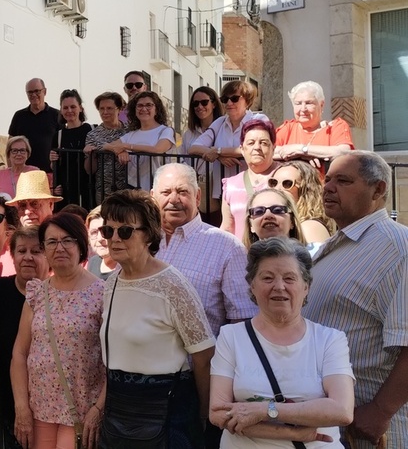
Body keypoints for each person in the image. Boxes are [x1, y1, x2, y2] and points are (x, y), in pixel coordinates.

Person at [304, 151, 408, 449]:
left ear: (378, 189)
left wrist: (380, 411)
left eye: (344, 180)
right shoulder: (336, 244)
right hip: (332, 423)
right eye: (328, 179)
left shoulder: (397, 248)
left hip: (373, 430)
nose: (328, 187)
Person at [210, 237, 355, 448]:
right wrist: (293, 433)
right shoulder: (231, 337)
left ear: (306, 286)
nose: (279, 287)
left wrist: (264, 410)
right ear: (252, 286)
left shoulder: (330, 340)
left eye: (289, 278)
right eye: (267, 278)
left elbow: (341, 411)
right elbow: (218, 413)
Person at [99, 190, 215, 448]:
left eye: (125, 231)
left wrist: (204, 416)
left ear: (148, 234)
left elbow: (204, 356)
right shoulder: (111, 284)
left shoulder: (172, 285)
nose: (115, 239)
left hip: (166, 412)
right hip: (118, 413)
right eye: (108, 231)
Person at [12, 213, 106, 449]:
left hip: (81, 410)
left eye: (67, 240)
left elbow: (115, 361)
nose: (59, 247)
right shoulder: (36, 293)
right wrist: (21, 407)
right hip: (40, 409)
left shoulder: (102, 294)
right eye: (52, 242)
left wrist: (98, 409)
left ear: (81, 245)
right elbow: (20, 354)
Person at [151, 163, 256, 337]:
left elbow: (242, 319)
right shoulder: (138, 241)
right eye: (166, 192)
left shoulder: (227, 247)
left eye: (183, 192)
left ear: (197, 196)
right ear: (153, 197)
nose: (174, 199)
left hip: (200, 363)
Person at [0, 226, 50, 448]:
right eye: (21, 251)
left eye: (36, 251)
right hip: (6, 397)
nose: (28, 257)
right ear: (12, 255)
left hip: (50, 402)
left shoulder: (58, 294)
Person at [188, 80, 269, 209]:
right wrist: (219, 156)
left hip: (253, 187)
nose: (229, 103)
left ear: (247, 101)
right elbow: (194, 147)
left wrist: (219, 151)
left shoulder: (258, 120)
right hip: (224, 189)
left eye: (235, 99)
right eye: (225, 99)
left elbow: (254, 149)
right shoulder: (219, 122)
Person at [221, 119, 280, 240]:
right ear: (242, 149)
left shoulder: (285, 178)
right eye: (251, 143)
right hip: (242, 256)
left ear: (273, 148)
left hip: (277, 254)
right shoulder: (231, 185)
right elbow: (227, 228)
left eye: (263, 143)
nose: (257, 147)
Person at [104, 91, 175, 191]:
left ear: (156, 109)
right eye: (140, 105)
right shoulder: (131, 134)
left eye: (149, 105)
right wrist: (121, 151)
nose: (144, 109)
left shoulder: (166, 131)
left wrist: (126, 147)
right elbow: (106, 146)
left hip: (158, 187)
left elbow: (158, 149)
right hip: (133, 188)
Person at [274, 81, 353, 167]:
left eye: (309, 103)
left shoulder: (335, 127)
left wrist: (302, 149)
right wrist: (301, 157)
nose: (303, 109)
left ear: (321, 105)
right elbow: (266, 152)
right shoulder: (288, 128)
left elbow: (344, 152)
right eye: (298, 103)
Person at [181, 88, 224, 226]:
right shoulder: (189, 134)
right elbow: (183, 159)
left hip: (219, 184)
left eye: (204, 102)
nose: (200, 107)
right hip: (197, 185)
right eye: (195, 104)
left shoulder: (224, 129)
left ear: (214, 104)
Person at [269, 160, 334, 244]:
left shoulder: (309, 227)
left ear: (306, 191)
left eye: (287, 183)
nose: (277, 189)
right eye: (273, 183)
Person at [51, 89, 94, 208]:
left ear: (80, 108)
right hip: (67, 191)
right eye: (65, 108)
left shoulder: (91, 130)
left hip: (88, 190)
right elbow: (55, 166)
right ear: (61, 110)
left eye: (73, 107)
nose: (69, 111)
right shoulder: (58, 135)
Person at [9, 78, 62, 173]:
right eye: (30, 92)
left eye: (37, 91)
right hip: (24, 175)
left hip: (48, 174)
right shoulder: (19, 116)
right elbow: (10, 145)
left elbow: (62, 144)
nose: (33, 95)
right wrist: (12, 172)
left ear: (45, 91)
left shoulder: (57, 115)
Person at [84, 91, 128, 204]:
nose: (105, 112)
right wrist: (90, 155)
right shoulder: (93, 135)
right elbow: (90, 170)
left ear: (119, 109)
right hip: (105, 190)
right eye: (101, 108)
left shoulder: (130, 131)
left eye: (109, 108)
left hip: (129, 187)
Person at [241, 189, 306, 249]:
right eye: (259, 211)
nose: (268, 215)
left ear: (292, 221)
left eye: (277, 210)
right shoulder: (240, 260)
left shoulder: (313, 257)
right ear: (250, 225)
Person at [85, 207, 118, 280]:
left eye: (105, 231)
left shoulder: (127, 267)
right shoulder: (93, 262)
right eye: (94, 232)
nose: (100, 238)